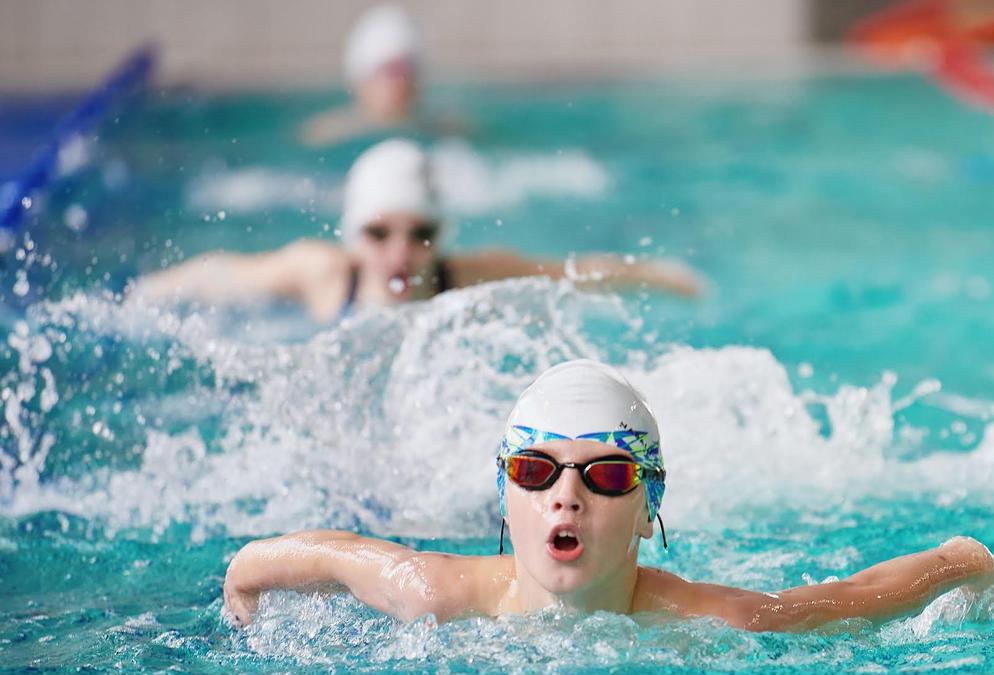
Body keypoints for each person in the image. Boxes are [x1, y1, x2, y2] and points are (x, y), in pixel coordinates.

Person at [223, 359, 994, 629]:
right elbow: (304, 556)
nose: (567, 497)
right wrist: (242, 591)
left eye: (606, 474)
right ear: (504, 498)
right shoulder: (434, 593)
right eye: (535, 471)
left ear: (648, 507)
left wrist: (961, 558)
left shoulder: (704, 618)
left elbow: (845, 600)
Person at [133, 140, 703, 322]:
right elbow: (226, 273)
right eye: (379, 233)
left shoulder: (468, 275)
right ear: (353, 234)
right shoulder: (326, 273)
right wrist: (144, 296)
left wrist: (659, 276)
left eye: (420, 233)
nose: (401, 252)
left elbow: (571, 271)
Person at [299, 4, 458, 146]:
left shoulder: (447, 131)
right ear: (362, 80)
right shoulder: (327, 134)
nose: (401, 81)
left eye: (407, 69)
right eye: (390, 71)